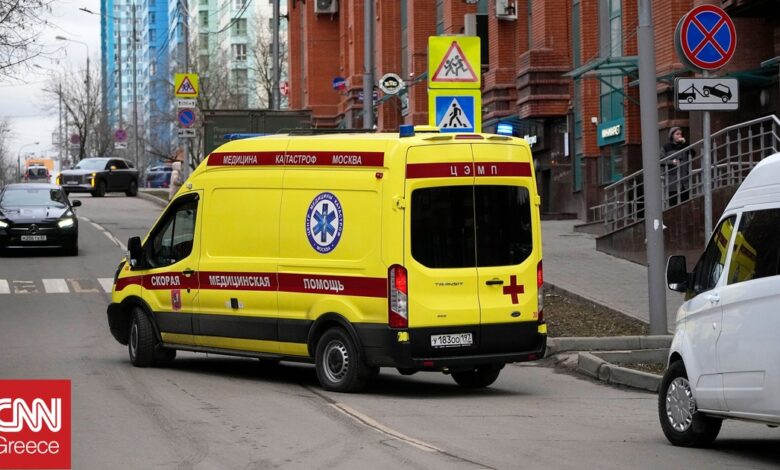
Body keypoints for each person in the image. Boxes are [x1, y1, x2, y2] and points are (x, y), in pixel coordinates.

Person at [661, 127, 693, 206]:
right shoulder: (666, 147)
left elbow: (692, 154)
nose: (680, 136)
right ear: (672, 136)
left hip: (684, 180)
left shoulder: (684, 145)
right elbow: (661, 160)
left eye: (681, 134)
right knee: (674, 203)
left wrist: (685, 144)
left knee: (686, 203)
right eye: (677, 134)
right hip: (673, 180)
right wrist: (671, 162)